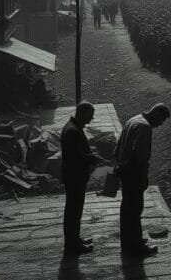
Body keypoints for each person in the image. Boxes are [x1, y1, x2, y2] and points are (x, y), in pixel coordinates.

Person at [114, 103, 170, 257]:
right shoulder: (145, 128)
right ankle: (136, 246)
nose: (160, 125)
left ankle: (128, 241)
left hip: (125, 172)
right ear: (157, 114)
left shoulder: (133, 120)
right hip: (134, 174)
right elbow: (141, 158)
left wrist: (119, 165)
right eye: (161, 121)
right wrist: (143, 178)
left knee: (126, 208)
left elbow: (117, 148)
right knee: (135, 209)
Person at [60, 102, 105, 254]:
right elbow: (77, 157)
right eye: (90, 115)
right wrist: (94, 158)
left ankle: (74, 239)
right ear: (83, 113)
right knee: (74, 211)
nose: (92, 119)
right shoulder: (72, 131)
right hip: (74, 177)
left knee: (74, 210)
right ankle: (72, 245)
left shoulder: (72, 127)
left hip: (74, 176)